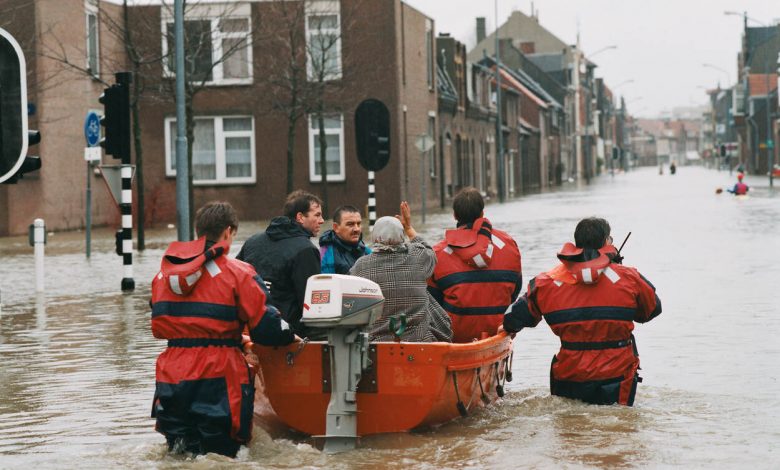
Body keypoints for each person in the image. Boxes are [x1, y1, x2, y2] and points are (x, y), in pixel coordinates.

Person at [150, 201, 297, 457]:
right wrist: (289, 333)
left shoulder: (165, 276)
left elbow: (169, 321)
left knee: (179, 452)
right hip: (219, 374)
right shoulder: (238, 272)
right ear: (228, 232)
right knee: (222, 452)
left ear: (199, 232)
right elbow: (266, 328)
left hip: (172, 373)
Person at [503, 217, 661, 406]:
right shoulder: (629, 278)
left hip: (569, 376)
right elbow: (652, 310)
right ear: (606, 243)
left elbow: (512, 319)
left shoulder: (547, 282)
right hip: (617, 377)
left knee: (572, 433)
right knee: (617, 434)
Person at [428, 187, 522, 342]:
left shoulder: (437, 254)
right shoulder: (509, 245)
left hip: (455, 339)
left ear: (455, 216)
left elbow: (433, 303)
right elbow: (514, 291)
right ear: (482, 214)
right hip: (497, 334)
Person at [350, 202, 452, 343]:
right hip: (420, 341)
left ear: (374, 238)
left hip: (376, 345)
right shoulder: (418, 257)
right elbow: (429, 250)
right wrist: (409, 228)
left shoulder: (360, 267)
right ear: (401, 236)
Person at [237, 190, 324, 336]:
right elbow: (311, 304)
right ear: (300, 217)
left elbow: (237, 282)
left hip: (250, 330)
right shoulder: (306, 250)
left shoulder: (252, 241)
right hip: (288, 335)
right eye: (317, 215)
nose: (322, 220)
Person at [319, 205, 372, 274]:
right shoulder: (326, 254)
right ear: (336, 227)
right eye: (350, 224)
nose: (357, 229)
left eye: (358, 224)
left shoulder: (367, 251)